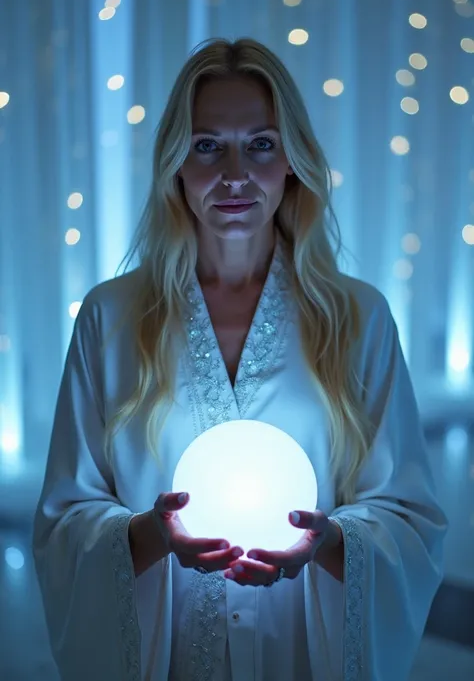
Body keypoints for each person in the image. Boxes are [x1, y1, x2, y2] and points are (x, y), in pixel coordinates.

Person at [33, 37, 447, 681]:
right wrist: (149, 535)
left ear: (292, 161)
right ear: (175, 162)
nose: (234, 173)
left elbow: (409, 517)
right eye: (207, 145)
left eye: (260, 143)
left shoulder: (357, 318)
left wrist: (331, 543)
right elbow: (64, 522)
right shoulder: (109, 319)